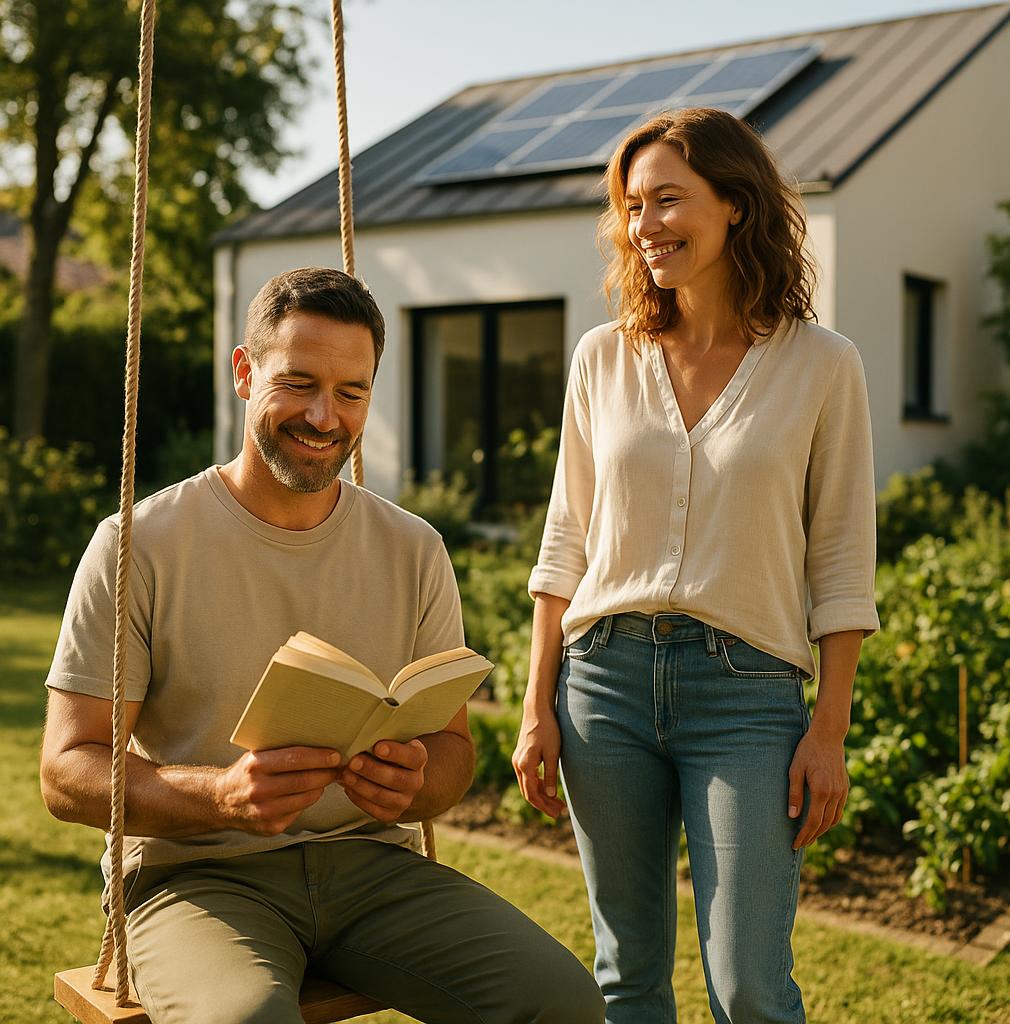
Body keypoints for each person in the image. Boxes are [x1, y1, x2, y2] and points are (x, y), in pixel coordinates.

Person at [40, 267, 604, 1024]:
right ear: (245, 372)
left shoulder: (413, 548)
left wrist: (415, 781)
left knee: (561, 1003)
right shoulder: (140, 545)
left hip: (371, 867)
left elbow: (454, 754)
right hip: (197, 875)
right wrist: (221, 795)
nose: (323, 416)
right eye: (298, 382)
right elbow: (66, 771)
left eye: (351, 392)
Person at [512, 109, 880, 1024]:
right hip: (603, 687)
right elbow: (566, 541)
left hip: (748, 697)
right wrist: (534, 708)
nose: (646, 227)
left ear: (737, 207)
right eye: (633, 207)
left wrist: (828, 728)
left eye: (669, 200)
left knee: (749, 983)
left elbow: (841, 557)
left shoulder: (825, 366)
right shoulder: (603, 358)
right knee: (626, 973)